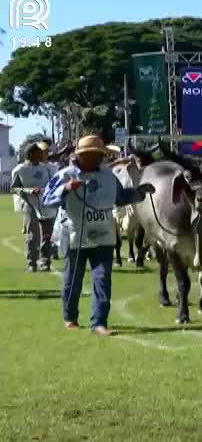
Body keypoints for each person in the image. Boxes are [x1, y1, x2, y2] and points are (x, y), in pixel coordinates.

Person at [42, 135, 155, 336]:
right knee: (72, 280)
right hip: (74, 236)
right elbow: (46, 199)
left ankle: (99, 322)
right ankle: (70, 317)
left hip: (103, 235)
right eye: (92, 155)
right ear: (82, 155)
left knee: (102, 280)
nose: (97, 159)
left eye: (99, 155)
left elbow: (120, 198)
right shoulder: (65, 175)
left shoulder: (108, 176)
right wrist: (65, 189)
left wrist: (139, 192)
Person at [11, 143, 58, 272]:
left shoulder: (46, 168)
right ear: (30, 154)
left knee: (47, 235)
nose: (41, 155)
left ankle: (45, 261)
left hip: (46, 204)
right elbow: (14, 188)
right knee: (32, 235)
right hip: (29, 205)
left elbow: (52, 184)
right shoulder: (20, 169)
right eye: (38, 153)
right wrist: (29, 190)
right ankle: (31, 263)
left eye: (41, 153)